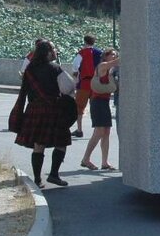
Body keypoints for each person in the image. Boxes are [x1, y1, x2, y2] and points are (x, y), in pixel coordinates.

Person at [15, 40, 75, 188]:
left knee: (38, 144)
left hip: (34, 109)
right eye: (53, 49)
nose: (55, 51)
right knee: (62, 142)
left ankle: (37, 179)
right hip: (52, 109)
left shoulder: (29, 69)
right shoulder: (55, 68)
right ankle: (54, 174)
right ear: (48, 52)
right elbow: (68, 88)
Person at [81, 49, 119, 171]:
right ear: (105, 56)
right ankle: (85, 159)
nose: (114, 56)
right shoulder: (103, 66)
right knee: (99, 132)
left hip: (104, 102)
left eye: (115, 54)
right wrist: (129, 52)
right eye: (111, 54)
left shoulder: (110, 69)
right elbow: (118, 61)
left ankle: (104, 162)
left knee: (106, 132)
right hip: (97, 102)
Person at [71, 35, 102, 138]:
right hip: (96, 83)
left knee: (79, 107)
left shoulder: (82, 53)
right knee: (96, 106)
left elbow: (75, 65)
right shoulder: (99, 53)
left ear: (85, 41)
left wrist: (76, 75)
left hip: (84, 83)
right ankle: (97, 130)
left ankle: (79, 130)